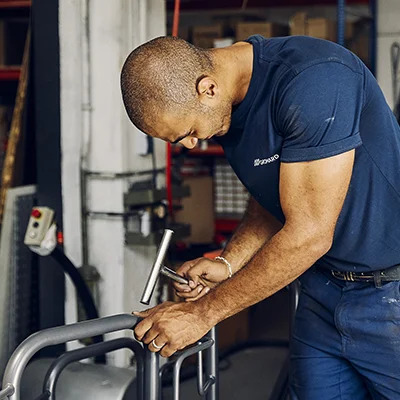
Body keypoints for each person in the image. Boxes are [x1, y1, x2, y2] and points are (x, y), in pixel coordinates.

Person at [120, 35, 400, 399]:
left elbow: (309, 234)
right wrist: (228, 262)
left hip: (389, 295)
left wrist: (201, 314)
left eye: (188, 133)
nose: (192, 144)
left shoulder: (315, 80)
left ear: (207, 88)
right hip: (320, 291)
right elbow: (275, 196)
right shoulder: (225, 106)